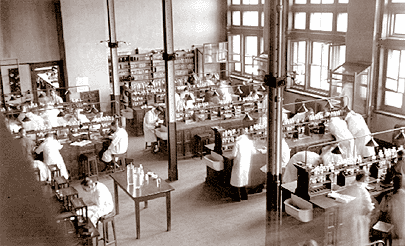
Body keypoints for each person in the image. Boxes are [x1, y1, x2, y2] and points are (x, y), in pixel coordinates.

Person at [339, 170, 374, 246]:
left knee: (349, 238)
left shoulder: (350, 186)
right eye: (367, 178)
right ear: (364, 179)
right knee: (358, 238)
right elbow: (369, 207)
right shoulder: (364, 191)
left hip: (348, 217)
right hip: (358, 219)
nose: (368, 180)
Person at [230, 129, 256, 201]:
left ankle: (237, 198)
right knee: (244, 179)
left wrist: (230, 157)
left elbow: (233, 154)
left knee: (237, 180)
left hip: (238, 163)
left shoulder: (238, 142)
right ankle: (245, 196)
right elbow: (254, 152)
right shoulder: (249, 142)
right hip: (246, 163)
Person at [380, 175, 405, 243]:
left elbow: (382, 209)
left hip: (392, 228)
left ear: (393, 184)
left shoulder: (388, 197)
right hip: (402, 228)